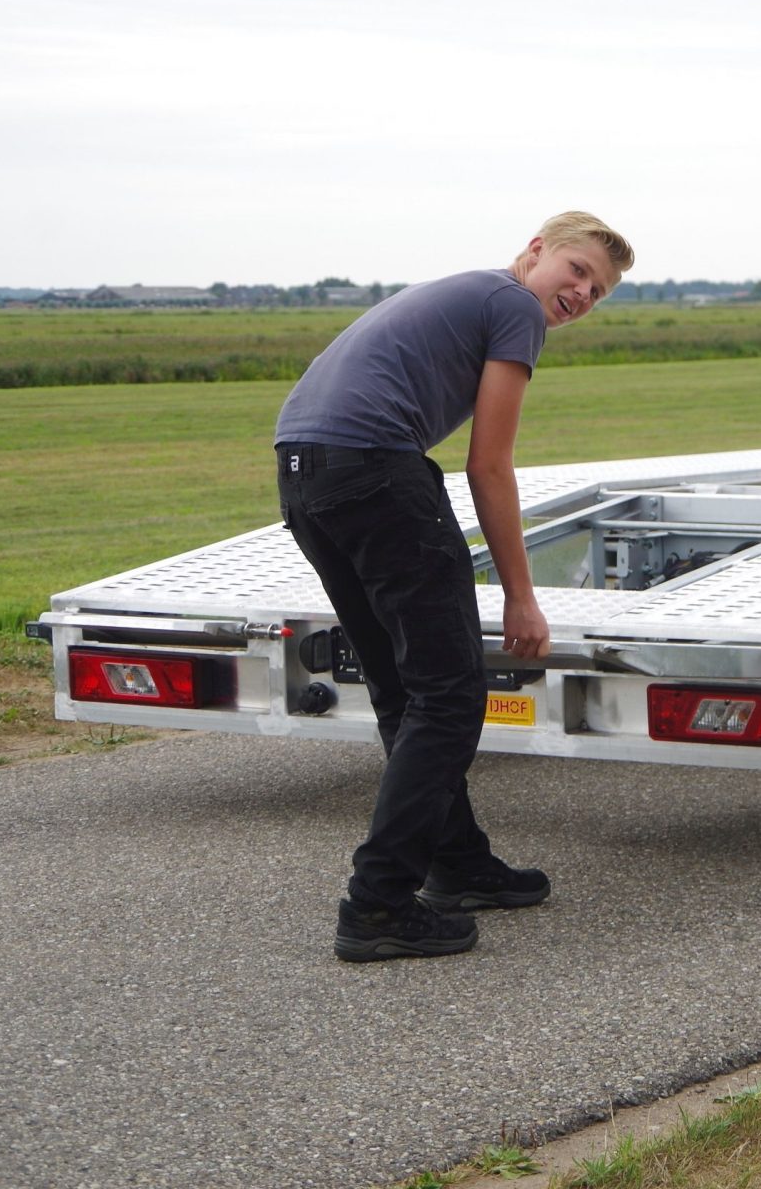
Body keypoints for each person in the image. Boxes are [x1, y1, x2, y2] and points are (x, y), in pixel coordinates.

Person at [274, 212, 634, 961]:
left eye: (597, 291)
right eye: (576, 270)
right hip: (377, 474)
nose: (581, 294)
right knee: (450, 692)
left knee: (405, 692)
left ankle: (458, 864)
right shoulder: (512, 306)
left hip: (305, 475)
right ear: (535, 251)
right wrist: (520, 595)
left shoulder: (463, 291)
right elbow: (489, 464)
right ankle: (376, 904)